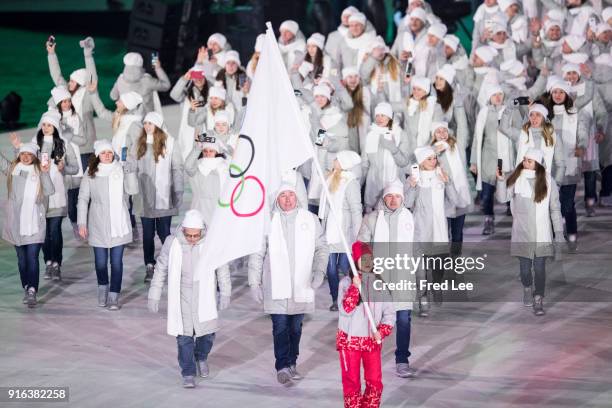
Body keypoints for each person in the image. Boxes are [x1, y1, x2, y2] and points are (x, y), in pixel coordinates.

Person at [248, 184, 328, 385]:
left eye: (291, 194)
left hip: (301, 284)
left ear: (297, 196)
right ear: (276, 199)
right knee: (280, 326)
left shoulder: (309, 220)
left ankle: (292, 362)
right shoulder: (268, 222)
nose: (287, 199)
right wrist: (254, 282)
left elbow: (321, 249)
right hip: (276, 284)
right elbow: (257, 254)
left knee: (296, 327)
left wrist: (319, 272)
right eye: (282, 195)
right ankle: (282, 366)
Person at [148, 209, 231, 388]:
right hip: (181, 296)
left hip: (205, 295)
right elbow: (161, 268)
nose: (192, 239)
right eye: (189, 235)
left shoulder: (211, 243)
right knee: (184, 337)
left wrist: (225, 291)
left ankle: (201, 357)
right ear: (183, 231)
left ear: (202, 232)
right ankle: (188, 371)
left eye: (196, 235)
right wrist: (154, 293)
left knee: (207, 334)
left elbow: (222, 268)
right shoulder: (172, 243)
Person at [357, 180, 417, 378]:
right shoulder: (373, 218)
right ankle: (370, 356)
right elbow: (361, 245)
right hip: (378, 277)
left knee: (403, 319)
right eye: (389, 196)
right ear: (383, 198)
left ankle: (402, 359)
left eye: (397, 196)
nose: (393, 200)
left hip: (403, 277)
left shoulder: (409, 218)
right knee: (373, 321)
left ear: (403, 198)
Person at [11, 112, 80, 281]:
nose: (46, 128)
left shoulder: (64, 144)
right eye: (44, 125)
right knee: (43, 232)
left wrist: (64, 167)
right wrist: (17, 147)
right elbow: (23, 162)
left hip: (57, 195)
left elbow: (75, 168)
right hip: (40, 197)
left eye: (49, 125)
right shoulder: (35, 144)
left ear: (55, 127)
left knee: (54, 230)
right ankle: (48, 261)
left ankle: (57, 263)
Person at [495, 148, 564, 316]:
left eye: (529, 161)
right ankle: (527, 287)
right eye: (524, 159)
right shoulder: (516, 179)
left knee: (540, 269)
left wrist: (559, 233)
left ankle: (538, 297)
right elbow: (502, 198)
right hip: (522, 233)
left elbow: (555, 209)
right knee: (525, 270)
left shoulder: (549, 181)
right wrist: (501, 181)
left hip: (542, 233)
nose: (525, 162)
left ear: (538, 165)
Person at [77, 140, 138, 310]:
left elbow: (132, 191)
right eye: (103, 153)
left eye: (109, 153)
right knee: (101, 262)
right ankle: (102, 286)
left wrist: (130, 171)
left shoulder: (120, 169)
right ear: (97, 155)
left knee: (116, 262)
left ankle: (114, 295)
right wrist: (82, 222)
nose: (107, 155)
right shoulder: (90, 173)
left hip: (119, 222)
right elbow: (83, 198)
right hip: (98, 222)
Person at [337, 241, 395, 407]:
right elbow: (345, 309)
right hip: (350, 341)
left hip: (371, 340)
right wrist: (355, 288)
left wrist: (382, 331)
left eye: (370, 258)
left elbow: (390, 314)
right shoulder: (346, 284)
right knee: (352, 382)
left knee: (374, 381)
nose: (368, 262)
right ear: (355, 261)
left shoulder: (380, 285)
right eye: (364, 258)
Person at [129, 112, 184, 283]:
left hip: (164, 197)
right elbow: (131, 164)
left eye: (150, 123)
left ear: (158, 125)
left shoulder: (170, 143)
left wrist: (179, 190)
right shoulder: (139, 143)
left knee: (164, 233)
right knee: (147, 234)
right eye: (145, 123)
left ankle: (170, 262)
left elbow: (177, 168)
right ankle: (149, 265)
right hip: (145, 197)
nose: (146, 126)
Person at [405, 146, 459, 316]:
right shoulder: (414, 178)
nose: (433, 161)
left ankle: (436, 287)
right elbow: (407, 203)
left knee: (438, 265)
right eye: (429, 158)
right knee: (420, 269)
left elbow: (455, 200)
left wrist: (447, 182)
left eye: (434, 158)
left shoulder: (441, 176)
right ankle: (422, 298)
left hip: (439, 229)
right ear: (420, 161)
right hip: (420, 229)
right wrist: (412, 185)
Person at [0, 142, 54, 307]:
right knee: (22, 259)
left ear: (34, 157)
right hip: (16, 224)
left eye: (29, 154)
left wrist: (45, 174)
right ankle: (26, 286)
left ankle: (32, 290)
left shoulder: (39, 172)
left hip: (34, 225)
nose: (25, 157)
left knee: (32, 257)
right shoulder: (13, 171)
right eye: (22, 154)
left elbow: (50, 190)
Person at [318, 152, 362, 311]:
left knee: (345, 265)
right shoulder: (331, 177)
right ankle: (336, 298)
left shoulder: (350, 182)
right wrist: (319, 147)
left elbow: (356, 209)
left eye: (337, 158)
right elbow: (319, 164)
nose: (333, 160)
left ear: (343, 162)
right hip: (328, 230)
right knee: (330, 268)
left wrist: (358, 234)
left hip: (344, 232)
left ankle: (355, 293)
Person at [46, 36, 98, 169]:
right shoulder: (65, 91)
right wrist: (51, 54)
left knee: (86, 178)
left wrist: (88, 55)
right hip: (66, 143)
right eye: (70, 80)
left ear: (81, 84)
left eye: (73, 81)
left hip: (84, 146)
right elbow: (56, 75)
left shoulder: (88, 95)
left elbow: (92, 76)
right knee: (69, 180)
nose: (69, 83)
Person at [470, 85, 514, 235]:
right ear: (489, 97)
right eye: (494, 94)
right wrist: (474, 161)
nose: (497, 97)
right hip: (488, 158)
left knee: (509, 188)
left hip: (506, 156)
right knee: (487, 193)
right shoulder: (484, 112)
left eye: (500, 94)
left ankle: (513, 211)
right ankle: (489, 219)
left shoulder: (509, 110)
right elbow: (477, 137)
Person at [50, 86, 87, 240]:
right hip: (60, 161)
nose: (66, 104)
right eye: (63, 101)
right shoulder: (52, 118)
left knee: (80, 195)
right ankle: (73, 223)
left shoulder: (76, 117)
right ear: (58, 103)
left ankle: (82, 224)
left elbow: (83, 140)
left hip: (75, 159)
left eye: (68, 101)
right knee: (68, 198)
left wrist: (69, 136)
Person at [430, 122, 472, 254]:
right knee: (443, 232)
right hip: (444, 198)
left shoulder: (457, 146)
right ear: (433, 135)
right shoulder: (431, 152)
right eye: (438, 131)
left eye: (444, 131)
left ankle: (455, 258)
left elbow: (463, 126)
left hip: (460, 194)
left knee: (457, 233)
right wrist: (434, 153)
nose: (442, 134)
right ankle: (442, 259)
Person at [362, 102, 410, 211]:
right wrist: (358, 183)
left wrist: (392, 148)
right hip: (374, 186)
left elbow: (403, 162)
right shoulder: (370, 135)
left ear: (390, 117)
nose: (379, 118)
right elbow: (364, 164)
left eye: (383, 115)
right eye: (377, 116)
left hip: (394, 186)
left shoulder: (400, 134)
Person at [184, 135, 228, 225]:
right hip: (198, 209)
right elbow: (187, 166)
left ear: (217, 152)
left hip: (216, 209)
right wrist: (198, 148)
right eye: (205, 151)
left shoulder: (224, 167)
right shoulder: (197, 166)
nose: (208, 154)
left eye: (211, 151)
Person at [169, 63, 209, 161]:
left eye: (201, 77)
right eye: (196, 78)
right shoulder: (186, 95)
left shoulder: (212, 94)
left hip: (205, 134)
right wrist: (184, 79)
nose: (198, 80)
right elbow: (174, 95)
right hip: (187, 135)